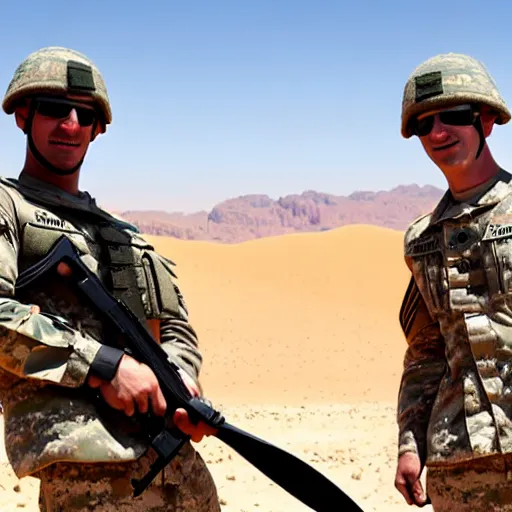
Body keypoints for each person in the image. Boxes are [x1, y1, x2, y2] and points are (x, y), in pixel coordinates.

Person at [0, 46, 221, 511]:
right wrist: (103, 366)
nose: (71, 125)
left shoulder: (123, 231)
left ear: (98, 129)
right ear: (23, 115)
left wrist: (180, 378)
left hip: (177, 466)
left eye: (85, 114)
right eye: (55, 110)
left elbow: (175, 323)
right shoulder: (8, 206)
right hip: (86, 471)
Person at [394, 52, 512, 511]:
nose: (439, 132)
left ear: (486, 120)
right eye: (424, 124)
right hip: (460, 465)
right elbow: (425, 353)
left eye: (454, 116)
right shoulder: (420, 241)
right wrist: (409, 444)